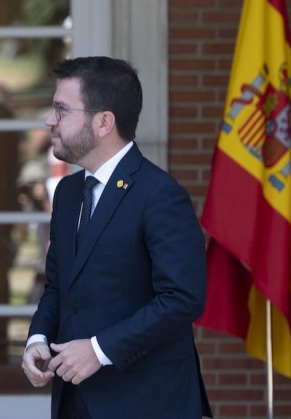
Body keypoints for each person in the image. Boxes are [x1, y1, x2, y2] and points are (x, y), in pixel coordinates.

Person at [21, 57, 212, 419]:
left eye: (61, 110)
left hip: (147, 401)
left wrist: (99, 349)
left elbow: (182, 298)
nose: (50, 121)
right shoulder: (68, 191)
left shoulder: (160, 194)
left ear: (104, 122)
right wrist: (38, 339)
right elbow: (59, 286)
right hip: (74, 401)